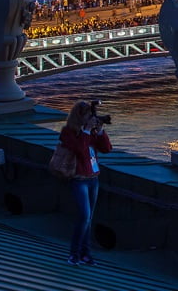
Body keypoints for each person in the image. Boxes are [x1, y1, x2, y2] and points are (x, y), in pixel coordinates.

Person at [59, 100, 112, 265]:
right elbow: (80, 152)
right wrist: (87, 131)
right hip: (79, 179)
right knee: (84, 216)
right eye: (88, 116)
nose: (90, 119)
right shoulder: (68, 133)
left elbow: (106, 149)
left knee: (89, 219)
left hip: (93, 179)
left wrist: (101, 131)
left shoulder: (91, 133)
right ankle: (74, 254)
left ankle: (85, 254)